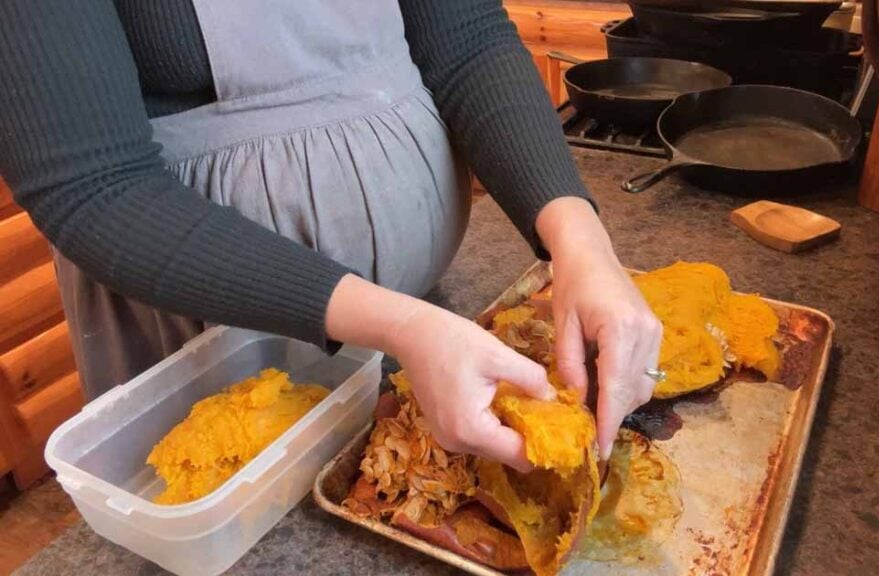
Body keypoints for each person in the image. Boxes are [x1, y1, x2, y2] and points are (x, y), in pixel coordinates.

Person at [0, 0, 662, 471]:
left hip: (424, 325)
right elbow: (95, 186)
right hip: (206, 358)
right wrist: (400, 325)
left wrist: (580, 242)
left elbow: (467, 42)